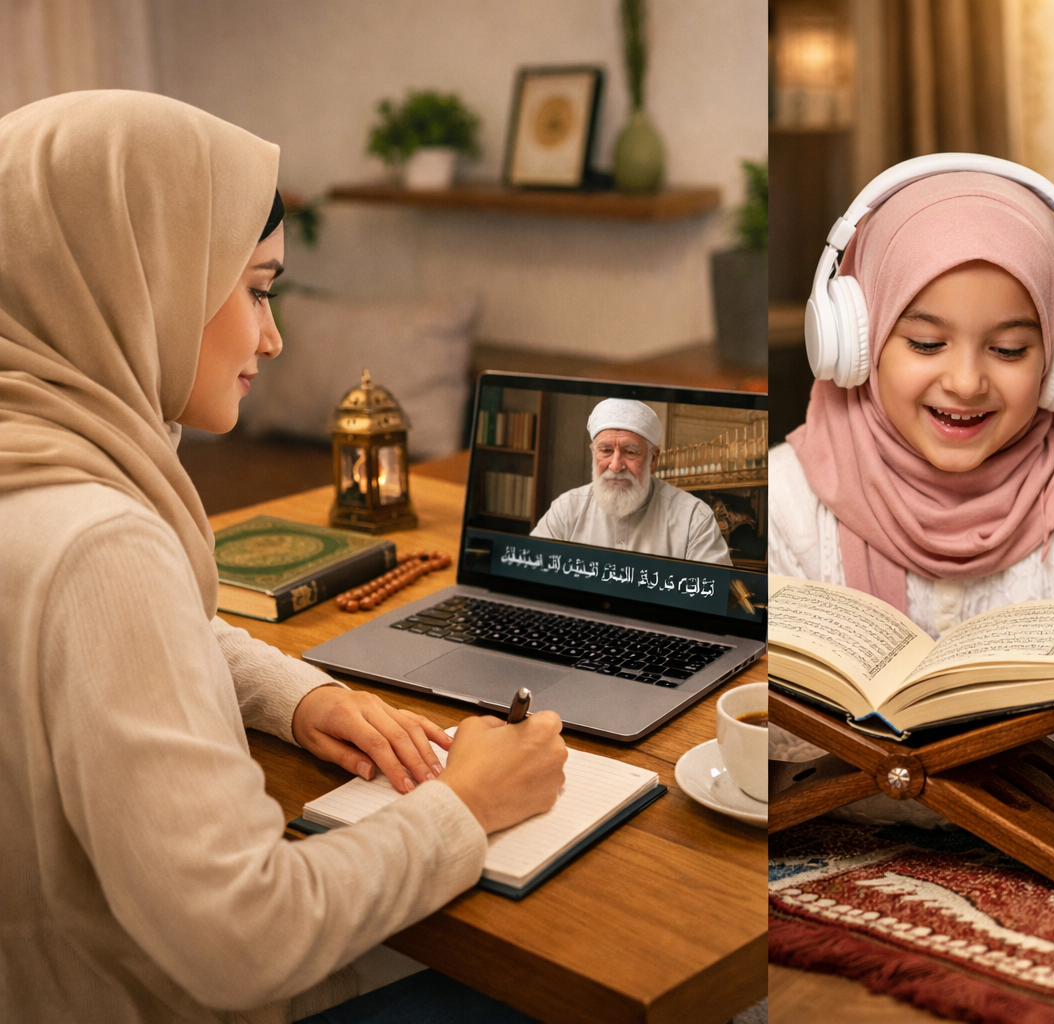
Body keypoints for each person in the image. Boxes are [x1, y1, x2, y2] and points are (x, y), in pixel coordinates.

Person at [0, 91, 567, 1023]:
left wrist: (297, 695)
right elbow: (246, 939)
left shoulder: (35, 462)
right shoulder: (100, 541)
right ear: (146, 274)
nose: (273, 335)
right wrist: (469, 802)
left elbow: (117, 636)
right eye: (259, 287)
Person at [770, 166, 1054, 826]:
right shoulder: (791, 491)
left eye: (1008, 348)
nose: (967, 381)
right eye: (924, 342)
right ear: (855, 341)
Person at [531, 397, 732, 565]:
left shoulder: (693, 519)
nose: (616, 465)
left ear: (653, 459)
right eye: (606, 451)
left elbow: (711, 599)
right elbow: (529, 575)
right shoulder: (566, 510)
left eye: (630, 452)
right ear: (594, 453)